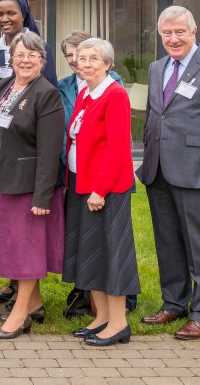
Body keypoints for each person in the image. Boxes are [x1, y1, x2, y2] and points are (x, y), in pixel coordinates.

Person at [136, 6, 200, 340]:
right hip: (158, 169)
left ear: (193, 32)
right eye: (167, 32)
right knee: (167, 242)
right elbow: (155, 115)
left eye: (180, 31)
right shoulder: (156, 67)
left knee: (199, 245)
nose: (173, 38)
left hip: (196, 169)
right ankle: (174, 303)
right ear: (160, 34)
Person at [0, 31, 64, 340]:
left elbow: (50, 149)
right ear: (10, 58)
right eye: (20, 54)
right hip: (0, 178)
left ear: (42, 61)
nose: (25, 60)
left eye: (32, 55)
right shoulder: (2, 85)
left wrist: (42, 195)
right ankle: (35, 303)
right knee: (14, 245)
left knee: (26, 250)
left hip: (26, 185)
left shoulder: (46, 93)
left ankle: (20, 313)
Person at [64, 38, 140, 347]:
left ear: (107, 63)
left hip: (104, 189)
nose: (85, 63)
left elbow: (119, 149)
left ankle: (119, 322)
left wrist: (100, 189)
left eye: (93, 58)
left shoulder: (115, 95)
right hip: (81, 184)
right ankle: (102, 317)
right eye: (81, 58)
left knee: (111, 252)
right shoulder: (85, 92)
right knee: (91, 253)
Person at [0, 0, 56, 86]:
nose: (4, 19)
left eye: (11, 13)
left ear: (23, 16)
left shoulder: (40, 48)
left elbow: (50, 87)